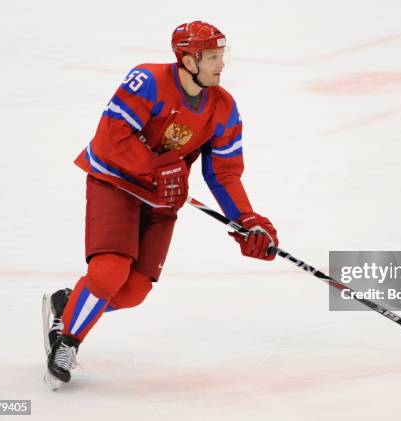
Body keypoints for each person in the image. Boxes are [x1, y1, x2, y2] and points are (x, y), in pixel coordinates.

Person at [43, 21, 278, 387]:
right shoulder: (147, 81)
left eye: (221, 56)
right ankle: (66, 343)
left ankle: (69, 305)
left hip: (161, 198)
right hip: (115, 183)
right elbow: (111, 138)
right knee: (109, 272)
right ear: (186, 59)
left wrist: (247, 220)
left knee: (133, 292)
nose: (221, 65)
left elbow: (224, 174)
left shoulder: (223, 108)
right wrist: (158, 167)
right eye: (212, 57)